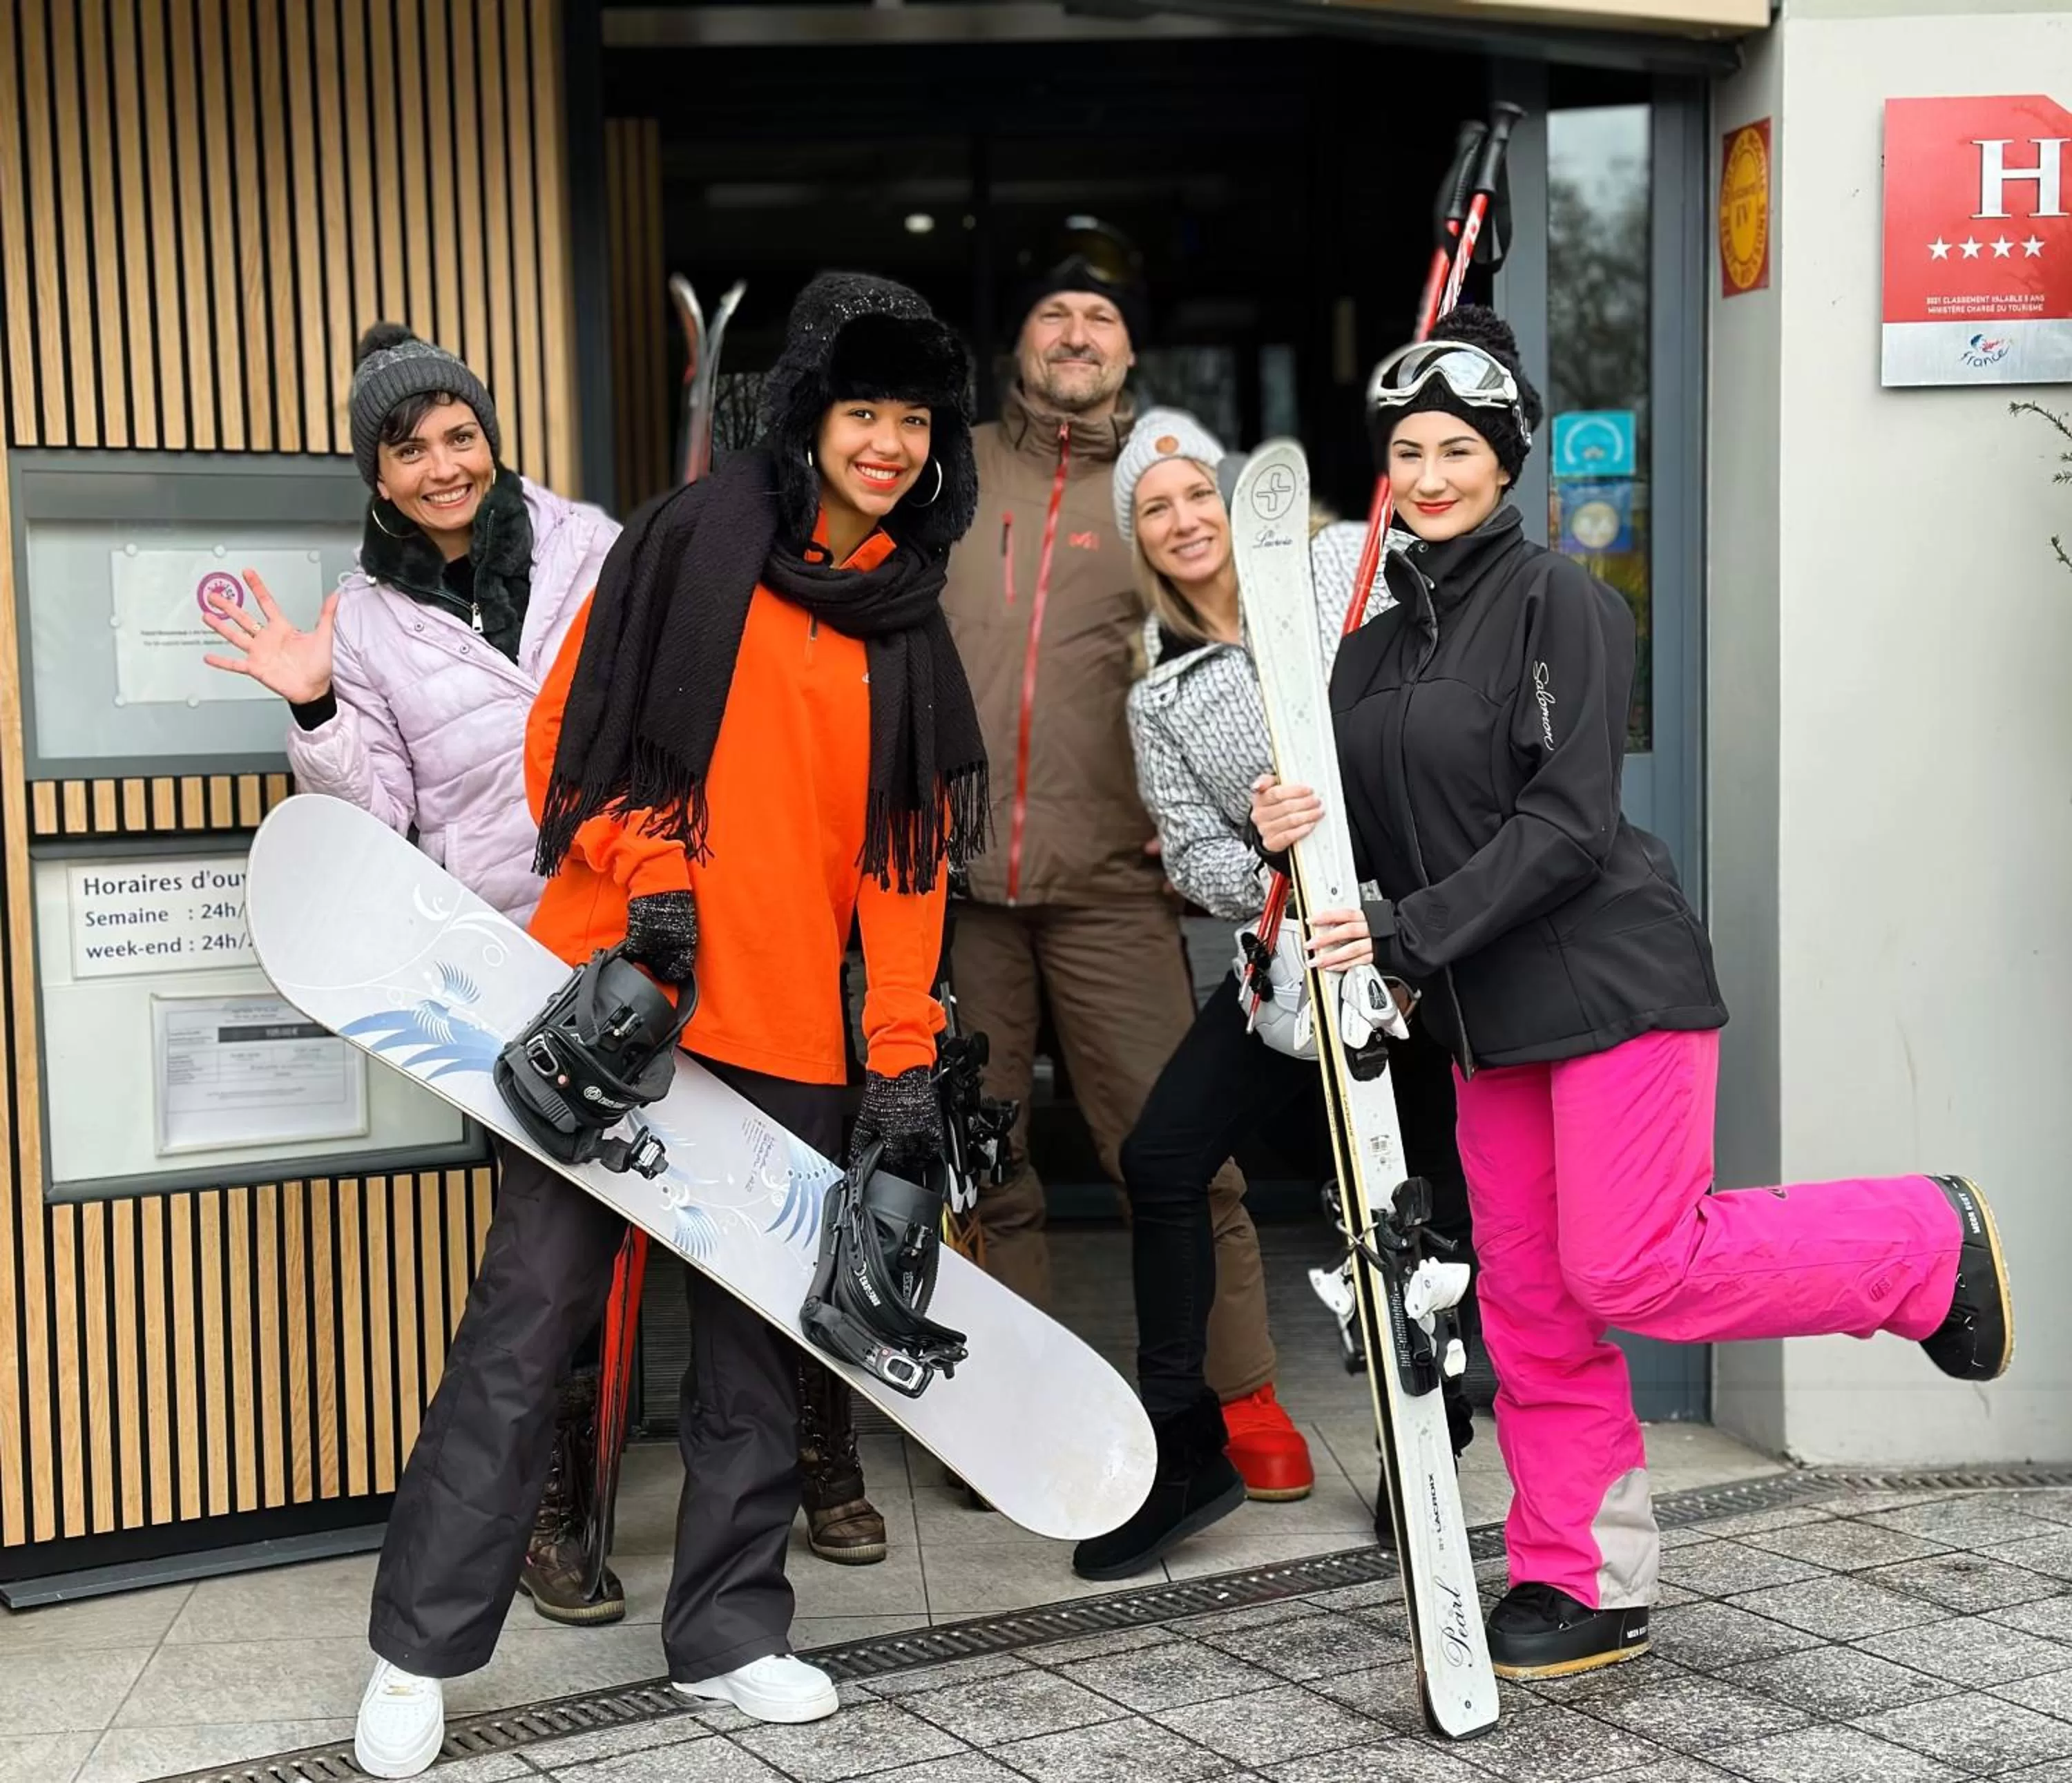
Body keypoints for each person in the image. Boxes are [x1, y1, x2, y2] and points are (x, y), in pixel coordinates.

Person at [1251, 306, 2014, 1681]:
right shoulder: (1362, 655)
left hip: (1611, 987)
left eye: (1459, 450)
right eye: (1408, 451)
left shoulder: (1563, 601)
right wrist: (1290, 823)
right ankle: (1584, 1578)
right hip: (1484, 1020)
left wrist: (1405, 934)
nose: (1430, 474)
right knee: (1535, 1308)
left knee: (1633, 1266)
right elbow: (1362, 833)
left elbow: (1569, 823)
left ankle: (1920, 1243)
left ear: (1510, 459)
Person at [345, 272, 986, 1777]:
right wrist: (659, 890)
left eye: (911, 418)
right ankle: (416, 1651)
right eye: (863, 409)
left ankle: (731, 1636)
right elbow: (566, 734)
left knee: (762, 1353)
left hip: (791, 1038)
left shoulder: (904, 615)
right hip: (625, 1003)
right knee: (529, 1325)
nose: (886, 441)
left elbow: (906, 872)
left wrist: (900, 1069)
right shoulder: (692, 541)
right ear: (813, 412)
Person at [201, 322, 648, 1628]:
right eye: (411, 449)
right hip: (509, 965)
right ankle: (561, 1520)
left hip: (653, 930)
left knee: (719, 1200)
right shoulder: (365, 619)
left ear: (491, 437)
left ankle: (814, 1460)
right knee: (549, 1249)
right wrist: (319, 708)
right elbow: (378, 813)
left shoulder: (593, 549)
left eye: (461, 434)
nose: (446, 465)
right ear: (378, 475)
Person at [941, 225, 1312, 1501]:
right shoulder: (954, 475)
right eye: (1056, 315)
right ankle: (1009, 1409)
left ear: (1131, 350)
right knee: (985, 1166)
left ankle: (1243, 1391)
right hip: (967, 890)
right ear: (1021, 345)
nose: (1077, 337)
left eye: (1100, 319)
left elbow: (1251, 623)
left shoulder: (1162, 486)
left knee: (1176, 1148)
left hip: (1114, 885)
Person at [1073, 409, 1478, 1580]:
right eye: (1156, 508)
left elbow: (1455, 678)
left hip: (1408, 944)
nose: (1184, 520)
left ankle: (1428, 1452)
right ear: (1141, 541)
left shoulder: (1348, 570)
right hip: (1288, 969)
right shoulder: (1162, 697)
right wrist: (1259, 842)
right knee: (1163, 1158)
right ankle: (1184, 1448)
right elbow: (1191, 857)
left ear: (1235, 495)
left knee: (1416, 1195)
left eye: (1197, 492)